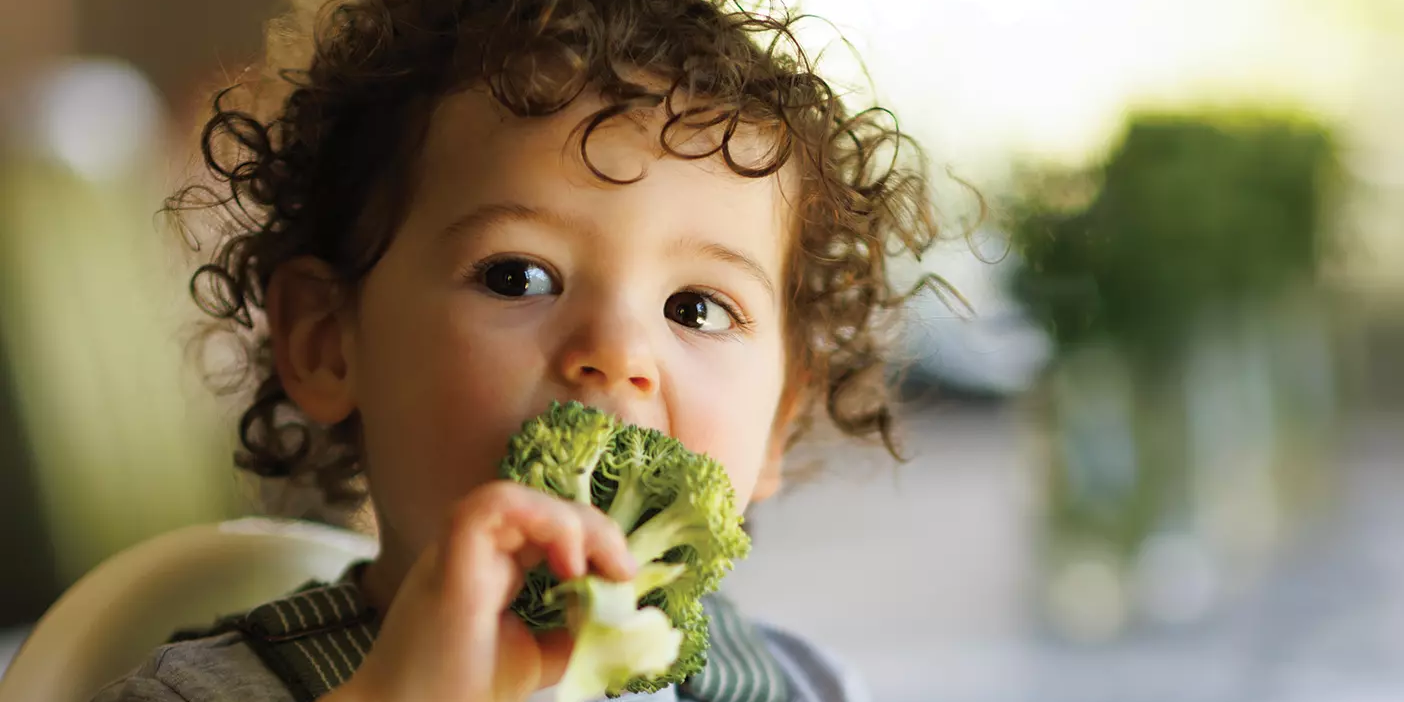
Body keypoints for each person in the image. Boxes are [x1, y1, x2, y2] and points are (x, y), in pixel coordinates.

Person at [94, 0, 960, 700]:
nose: (617, 352)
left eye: (696, 307)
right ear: (327, 342)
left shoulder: (800, 687)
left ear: (779, 417)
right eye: (517, 278)